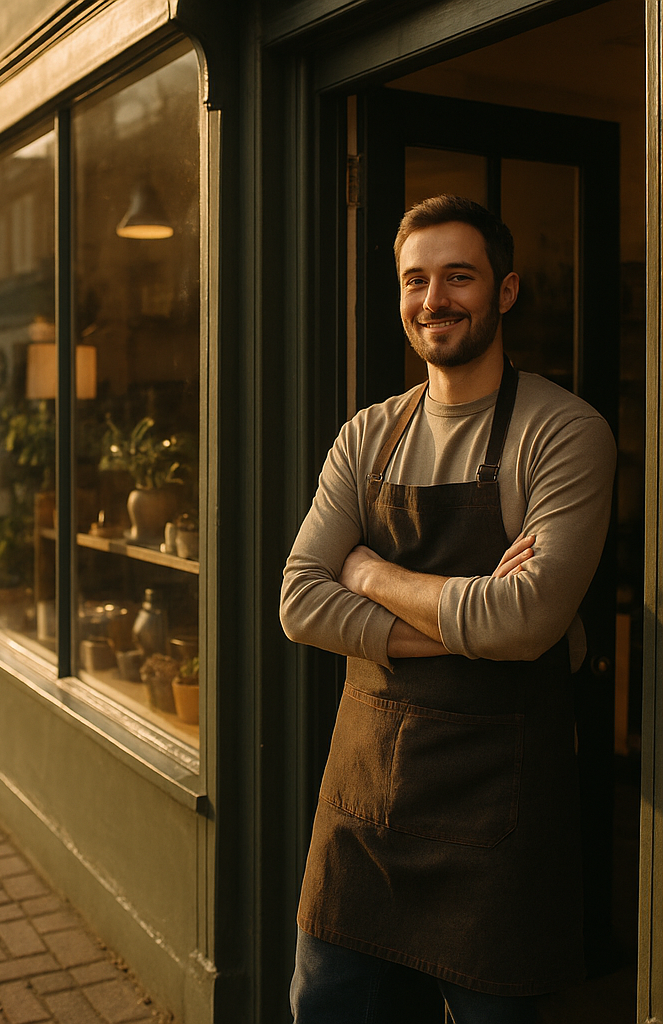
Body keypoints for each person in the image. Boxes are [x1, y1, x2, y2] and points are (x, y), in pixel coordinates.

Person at [280, 195, 616, 1023]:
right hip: (361, 804)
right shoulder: (368, 436)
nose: (435, 301)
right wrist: (474, 624)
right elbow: (298, 601)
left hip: (497, 821)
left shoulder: (564, 432)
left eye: (458, 277)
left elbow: (528, 620)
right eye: (416, 280)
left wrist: (367, 571)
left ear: (503, 290)